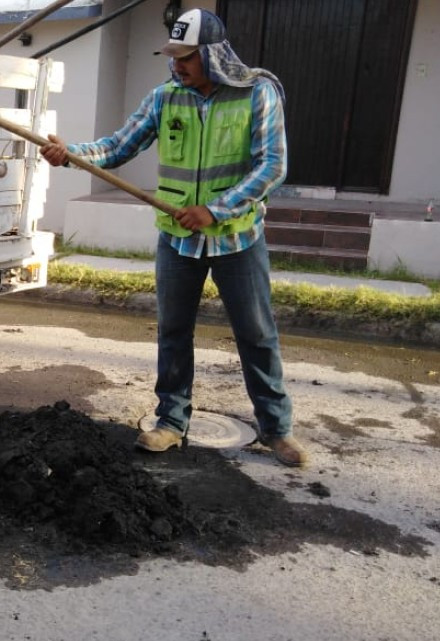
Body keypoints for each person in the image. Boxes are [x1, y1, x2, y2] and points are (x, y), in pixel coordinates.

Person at [40, 8, 308, 467]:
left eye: (187, 57)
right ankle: (171, 421)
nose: (177, 65)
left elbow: (273, 166)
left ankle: (275, 430)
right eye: (174, 56)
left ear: (213, 55)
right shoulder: (165, 98)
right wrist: (71, 155)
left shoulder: (257, 95)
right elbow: (119, 145)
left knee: (257, 334)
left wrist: (215, 210)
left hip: (237, 239)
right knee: (173, 333)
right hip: (177, 240)